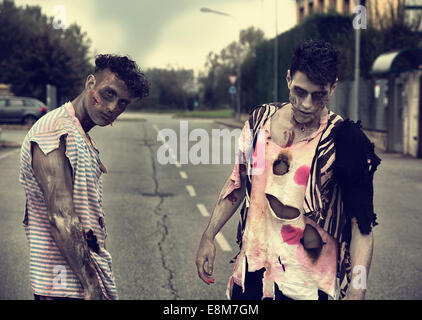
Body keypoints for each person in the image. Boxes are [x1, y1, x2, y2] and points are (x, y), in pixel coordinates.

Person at [195, 40, 381, 300]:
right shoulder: (260, 121)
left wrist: (358, 288)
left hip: (309, 288)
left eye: (319, 95)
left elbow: (362, 225)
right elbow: (237, 184)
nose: (306, 103)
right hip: (250, 278)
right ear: (288, 79)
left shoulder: (346, 140)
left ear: (333, 88)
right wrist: (209, 235)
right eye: (300, 91)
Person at [19, 54, 149, 300]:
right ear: (91, 84)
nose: (113, 108)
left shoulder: (77, 132)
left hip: (78, 282)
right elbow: (61, 218)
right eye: (108, 94)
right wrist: (92, 286)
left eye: (122, 103)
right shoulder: (54, 131)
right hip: (63, 287)